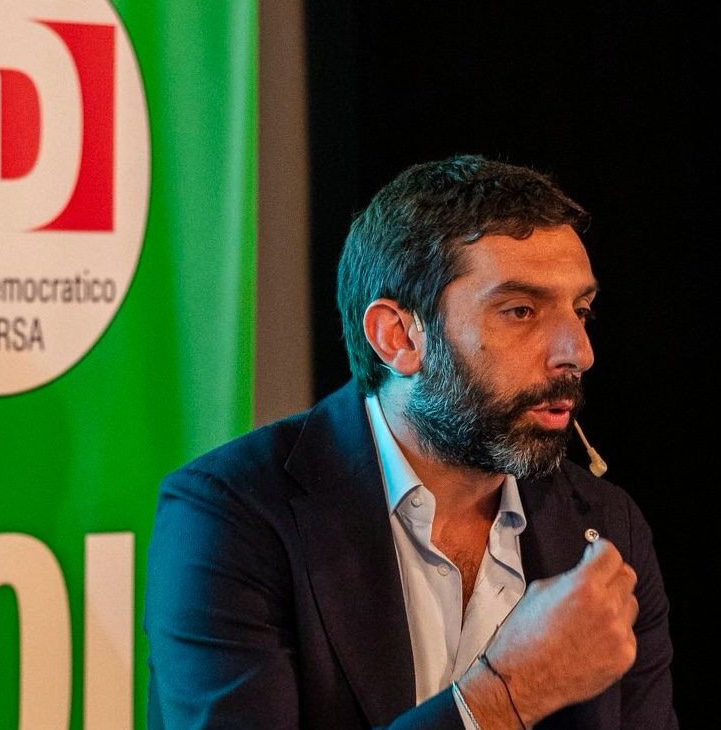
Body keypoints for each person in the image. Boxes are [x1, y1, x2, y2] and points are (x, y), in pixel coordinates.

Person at [144, 154, 677, 729]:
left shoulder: (604, 524)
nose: (578, 353)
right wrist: (505, 695)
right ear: (398, 336)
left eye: (581, 311)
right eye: (521, 311)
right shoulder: (232, 515)